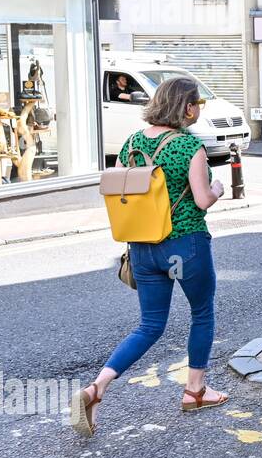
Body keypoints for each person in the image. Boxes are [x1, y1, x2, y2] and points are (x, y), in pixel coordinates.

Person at [71, 77, 227, 436]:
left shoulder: (132, 143)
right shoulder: (189, 147)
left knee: (149, 326)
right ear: (187, 107)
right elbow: (202, 200)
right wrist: (217, 187)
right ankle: (194, 391)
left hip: (142, 247)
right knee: (201, 313)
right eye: (196, 103)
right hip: (184, 243)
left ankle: (97, 388)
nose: (199, 109)